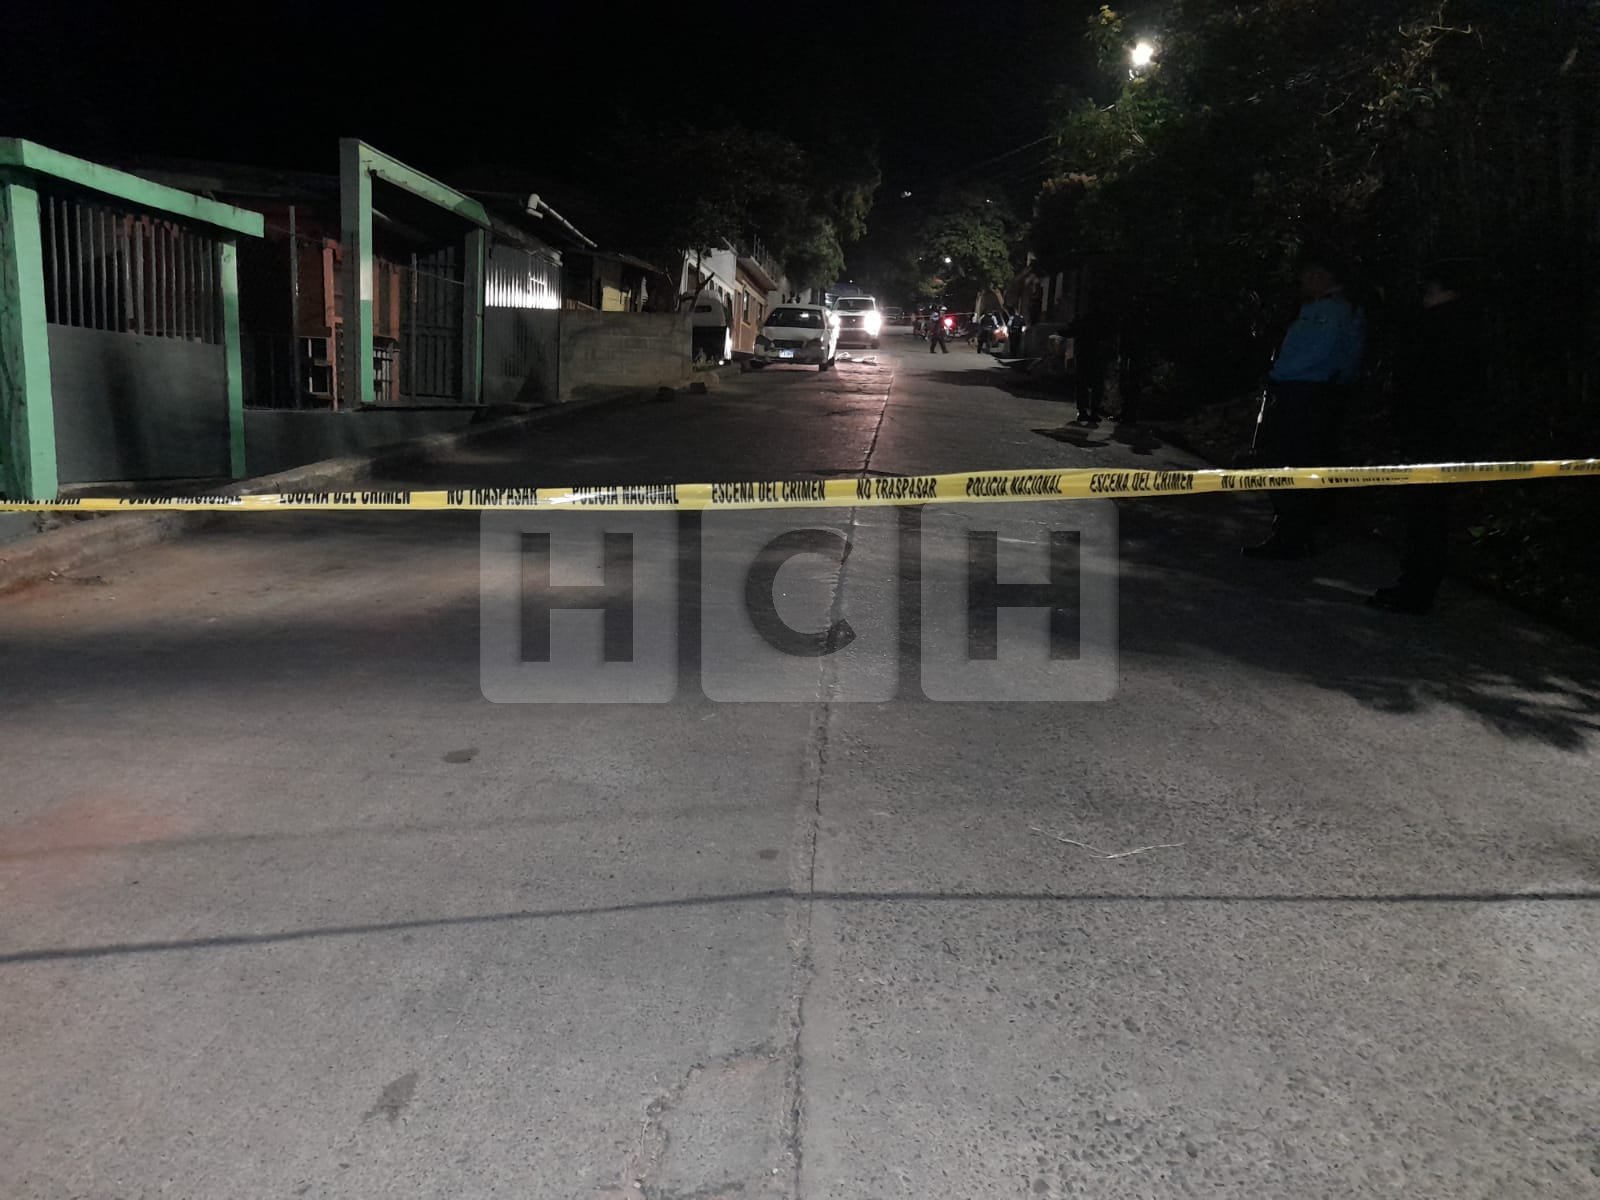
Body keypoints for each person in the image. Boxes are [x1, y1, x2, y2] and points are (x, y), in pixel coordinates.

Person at [1368, 261, 1485, 614]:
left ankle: (1415, 589)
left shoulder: (1437, 327)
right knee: (1430, 513)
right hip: (1444, 433)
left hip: (1429, 434)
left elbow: (1420, 382)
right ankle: (1417, 585)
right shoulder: (1469, 325)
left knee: (1424, 514)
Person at [1242, 253, 1366, 559]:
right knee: (1292, 460)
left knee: (1289, 460)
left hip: (1306, 392)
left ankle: (1292, 534)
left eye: (1312, 275)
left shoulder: (1331, 312)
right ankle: (1293, 531)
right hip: (1311, 392)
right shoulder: (1324, 308)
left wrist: (1279, 375)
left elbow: (1317, 355)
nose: (1305, 281)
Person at [1067, 308, 1112, 424]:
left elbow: (1070, 332)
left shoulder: (1082, 322)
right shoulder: (1102, 322)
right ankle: (1093, 412)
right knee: (1096, 386)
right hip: (1096, 357)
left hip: (1084, 356)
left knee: (1083, 385)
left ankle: (1083, 411)